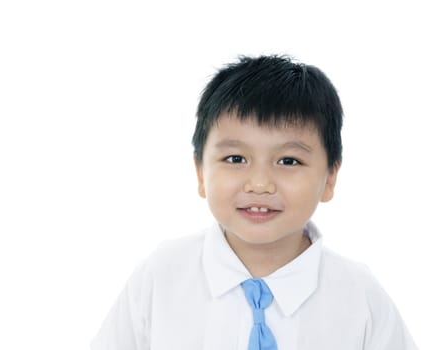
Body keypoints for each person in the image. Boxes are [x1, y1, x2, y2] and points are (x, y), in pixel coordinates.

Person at [91, 55, 417, 349]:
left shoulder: (358, 294)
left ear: (330, 178)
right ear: (200, 172)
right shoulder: (161, 276)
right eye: (235, 158)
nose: (260, 183)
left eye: (289, 161)